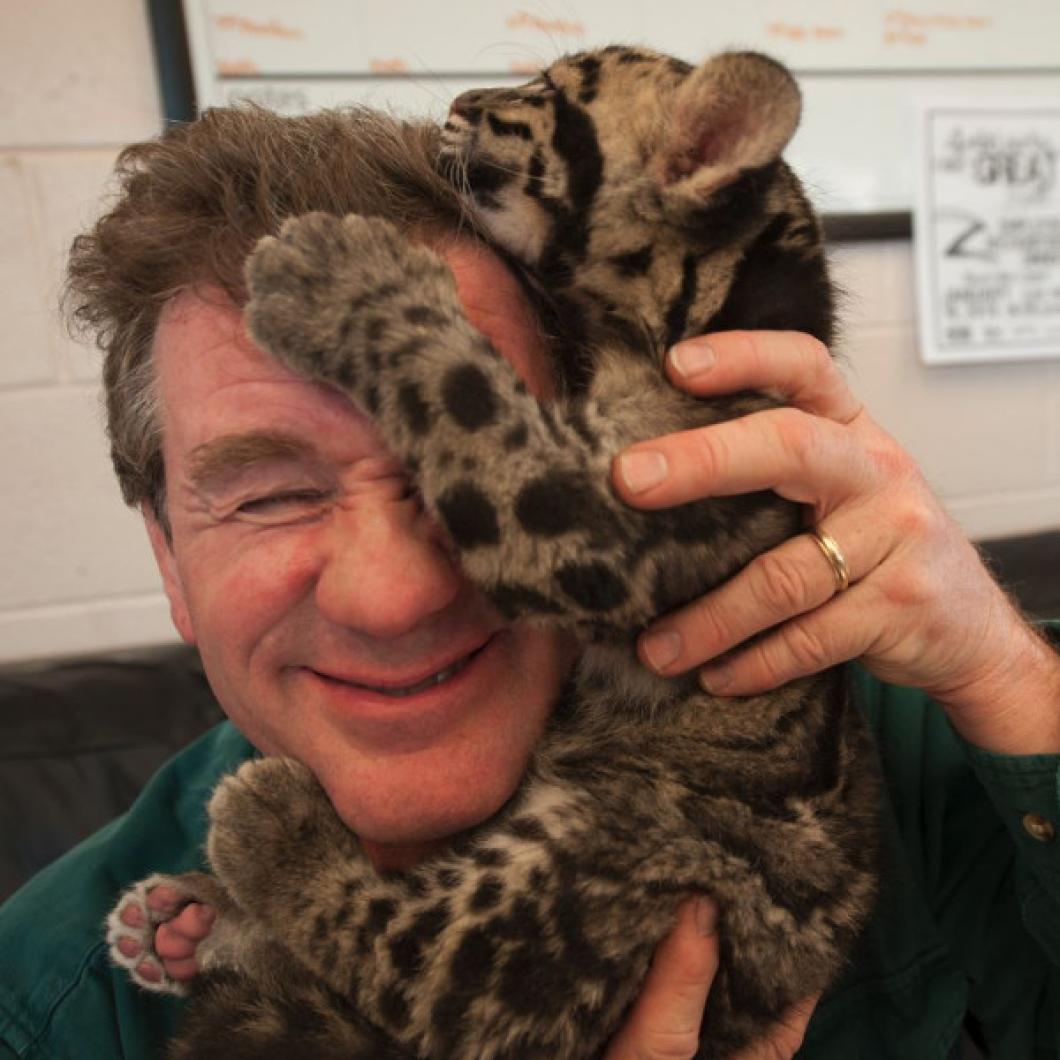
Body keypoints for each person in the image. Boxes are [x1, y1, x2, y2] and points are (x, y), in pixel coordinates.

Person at [0, 103, 1056, 1060]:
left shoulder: (867, 742)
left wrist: (1005, 669)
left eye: (458, 456)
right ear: (168, 558)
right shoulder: (50, 1002)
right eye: (271, 495)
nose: (392, 596)